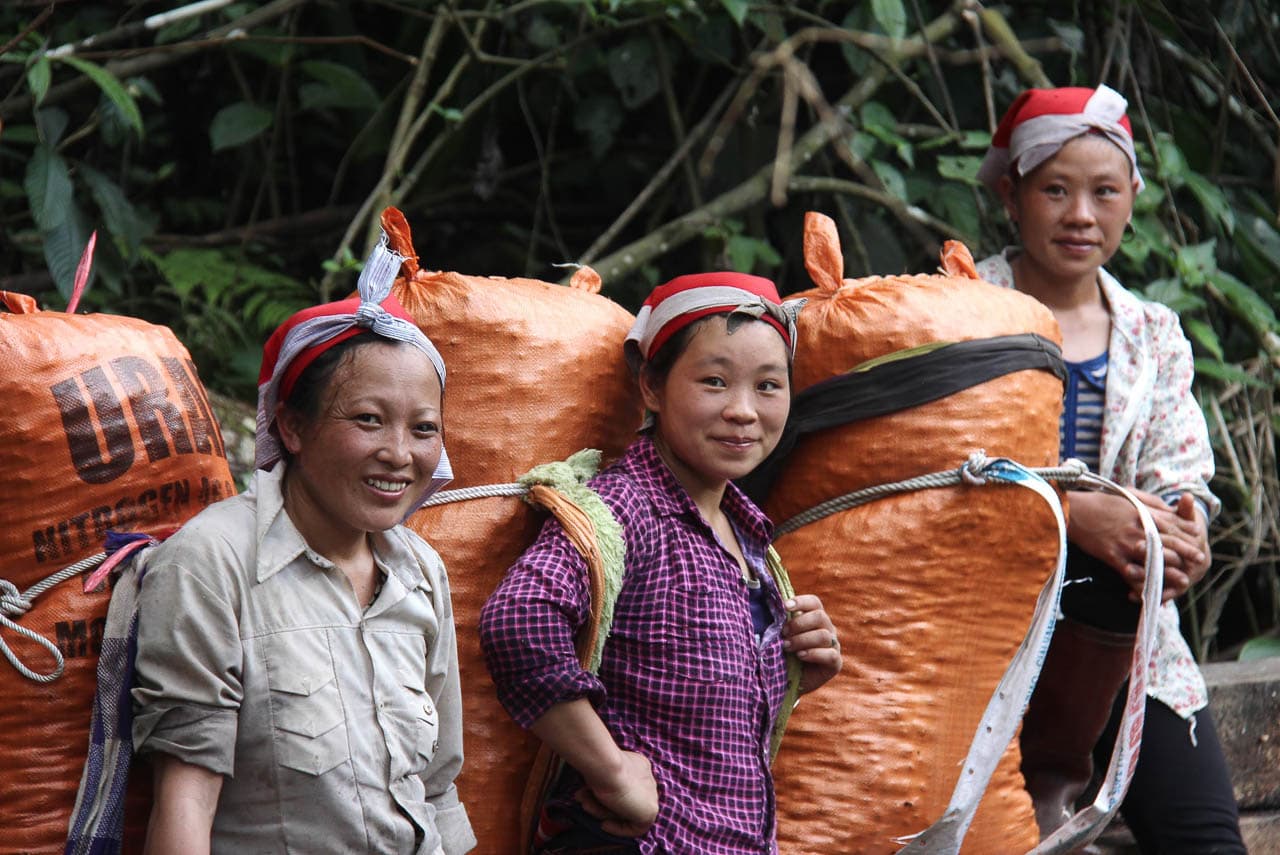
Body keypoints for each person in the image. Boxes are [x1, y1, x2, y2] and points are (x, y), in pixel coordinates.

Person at [129, 237, 476, 855]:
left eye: (424, 429)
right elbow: (185, 805)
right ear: (292, 426)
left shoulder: (421, 571)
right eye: (368, 419)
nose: (400, 454)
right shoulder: (212, 564)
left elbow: (438, 788)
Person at [479, 273, 843, 854]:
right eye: (714, 382)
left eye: (769, 386)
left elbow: (689, 700)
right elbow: (519, 620)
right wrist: (612, 771)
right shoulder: (628, 508)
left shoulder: (747, 536)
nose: (743, 411)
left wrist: (794, 672)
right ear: (651, 385)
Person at [975, 84, 1246, 853]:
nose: (1080, 215)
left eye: (1104, 191)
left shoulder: (1153, 332)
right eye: (1055, 190)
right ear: (1011, 195)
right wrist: (1069, 513)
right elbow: (934, 463)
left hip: (1130, 639)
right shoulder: (960, 307)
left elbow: (1179, 465)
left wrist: (1183, 525)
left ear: (1134, 197)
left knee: (1207, 839)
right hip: (985, 631)